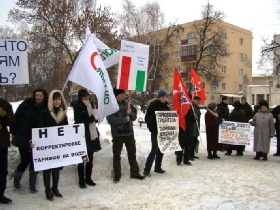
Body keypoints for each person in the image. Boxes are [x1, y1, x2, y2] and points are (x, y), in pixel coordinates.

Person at [11, 88, 48, 193]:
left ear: (44, 96)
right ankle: (16, 180)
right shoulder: (26, 105)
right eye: (36, 95)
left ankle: (32, 184)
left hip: (36, 138)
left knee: (34, 161)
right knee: (25, 159)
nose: (38, 98)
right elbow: (16, 118)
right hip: (23, 136)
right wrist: (13, 132)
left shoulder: (46, 107)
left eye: (40, 96)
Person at [106, 87, 144, 183]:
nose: (123, 95)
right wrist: (124, 119)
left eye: (124, 93)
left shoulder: (128, 104)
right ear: (116, 95)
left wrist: (130, 113)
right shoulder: (112, 106)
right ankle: (117, 175)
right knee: (117, 155)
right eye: (121, 93)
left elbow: (134, 117)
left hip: (129, 133)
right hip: (118, 134)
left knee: (132, 153)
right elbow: (110, 119)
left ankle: (134, 173)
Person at [36, 90, 68, 201]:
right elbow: (39, 129)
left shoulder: (63, 114)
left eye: (59, 99)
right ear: (51, 100)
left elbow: (67, 130)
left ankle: (55, 188)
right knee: (48, 168)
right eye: (55, 99)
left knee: (57, 167)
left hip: (58, 146)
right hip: (47, 146)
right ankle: (47, 190)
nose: (57, 101)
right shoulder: (45, 113)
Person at [71, 89, 101, 188]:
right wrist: (93, 118)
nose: (86, 98)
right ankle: (81, 180)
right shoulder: (78, 106)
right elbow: (79, 121)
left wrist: (95, 116)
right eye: (84, 96)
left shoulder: (91, 104)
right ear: (80, 97)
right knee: (82, 158)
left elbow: (94, 121)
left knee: (90, 158)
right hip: (83, 135)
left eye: (87, 96)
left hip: (92, 134)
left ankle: (88, 178)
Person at [143, 90, 170, 177]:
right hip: (155, 131)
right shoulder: (153, 105)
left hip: (163, 131)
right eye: (162, 97)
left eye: (165, 97)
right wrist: (155, 119)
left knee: (161, 149)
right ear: (159, 97)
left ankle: (158, 167)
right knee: (154, 150)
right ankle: (146, 170)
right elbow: (148, 118)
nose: (164, 98)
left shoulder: (166, 106)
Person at [0, 97, 15, 204]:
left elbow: (12, 121)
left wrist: (4, 114)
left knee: (1, 171)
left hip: (1, 143)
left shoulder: (4, 104)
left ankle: (0, 194)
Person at [189, 96, 201, 160]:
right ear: (194, 101)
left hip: (196, 127)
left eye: (199, 101)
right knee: (191, 142)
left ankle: (192, 153)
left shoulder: (197, 108)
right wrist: (193, 118)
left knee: (195, 141)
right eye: (197, 101)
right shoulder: (192, 107)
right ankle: (189, 155)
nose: (198, 102)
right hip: (192, 127)